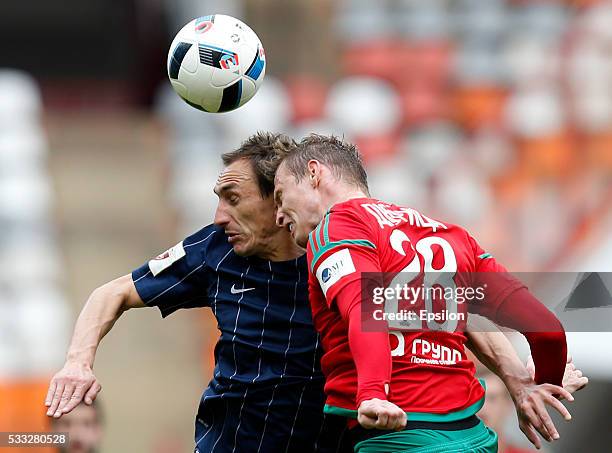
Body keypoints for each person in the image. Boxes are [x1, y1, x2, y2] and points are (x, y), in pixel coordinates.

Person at [46, 132, 578, 453]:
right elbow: (111, 293)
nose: (219, 216)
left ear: (285, 193)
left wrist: (518, 379)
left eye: (236, 198)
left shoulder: (354, 241)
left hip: (347, 438)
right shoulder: (214, 251)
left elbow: (445, 310)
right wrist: (78, 362)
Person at [273, 134, 577, 452]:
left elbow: (366, 311)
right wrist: (545, 383)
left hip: (400, 438)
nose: (280, 215)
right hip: (474, 439)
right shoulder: (450, 235)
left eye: (281, 196)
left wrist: (374, 393)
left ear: (314, 172)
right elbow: (548, 329)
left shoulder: (337, 228)